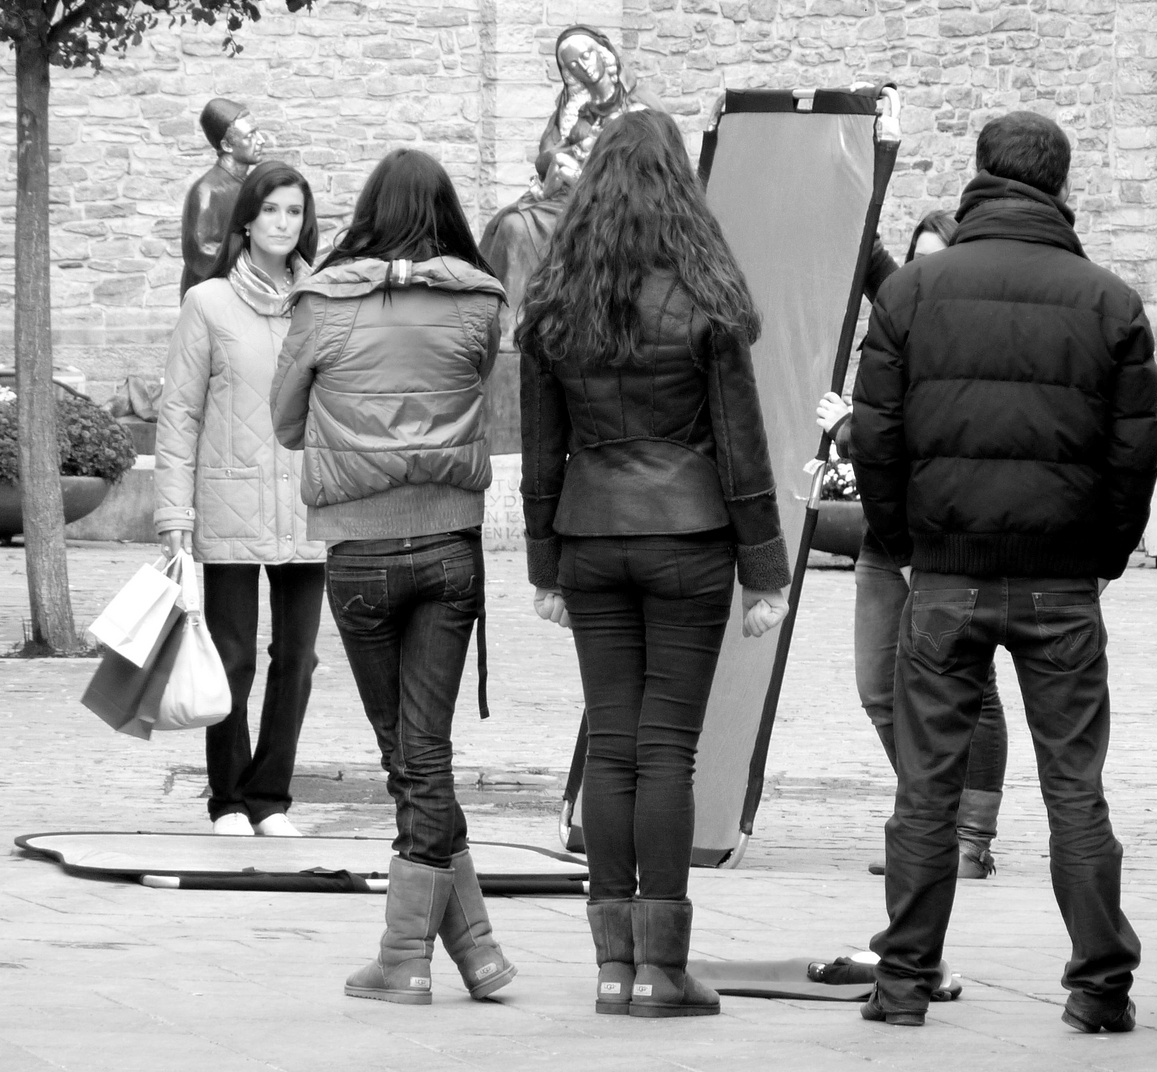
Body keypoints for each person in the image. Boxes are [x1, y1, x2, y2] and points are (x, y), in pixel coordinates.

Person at [852, 111, 1157, 1031]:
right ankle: (1099, 985)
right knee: (1076, 786)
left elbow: (875, 436)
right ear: (1062, 187)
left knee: (925, 788)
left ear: (980, 175)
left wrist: (904, 540)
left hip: (946, 573)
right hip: (1060, 583)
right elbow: (1135, 453)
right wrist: (1100, 555)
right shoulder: (1110, 302)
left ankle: (903, 981)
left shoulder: (911, 294)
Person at [519, 109, 790, 1019]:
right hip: (688, 536)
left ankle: (610, 965)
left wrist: (542, 565)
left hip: (591, 533)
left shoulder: (557, 301)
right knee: (667, 748)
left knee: (613, 739)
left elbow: (542, 444)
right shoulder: (706, 294)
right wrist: (766, 569)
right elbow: (739, 441)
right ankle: (663, 969)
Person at [270, 149, 516, 1006]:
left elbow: (286, 423)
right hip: (451, 542)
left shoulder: (322, 302)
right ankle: (476, 951)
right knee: (426, 755)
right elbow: (474, 384)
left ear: (367, 211)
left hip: (360, 550)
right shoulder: (481, 301)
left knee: (409, 757)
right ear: (446, 212)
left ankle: (406, 956)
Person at [815, 209, 1009, 879]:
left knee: (969, 687)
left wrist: (850, 430)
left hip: (945, 539)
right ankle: (932, 817)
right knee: (878, 685)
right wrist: (862, 145)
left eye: (938, 261)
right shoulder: (898, 318)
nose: (923, 274)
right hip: (883, 536)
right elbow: (869, 254)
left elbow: (920, 434)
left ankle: (971, 839)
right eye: (915, 261)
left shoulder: (973, 340)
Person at [156, 159, 325, 838]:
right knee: (232, 657)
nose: (284, 223)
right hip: (227, 505)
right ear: (247, 221)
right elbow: (179, 415)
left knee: (299, 659)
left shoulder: (325, 302)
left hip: (308, 509)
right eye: (273, 211)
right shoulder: (207, 304)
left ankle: (271, 797)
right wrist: (174, 515)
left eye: (295, 211)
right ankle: (227, 798)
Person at [479, 25, 663, 340]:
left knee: (523, 225)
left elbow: (657, 161)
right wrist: (564, 154)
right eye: (572, 64)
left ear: (604, 54)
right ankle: (505, 324)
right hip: (566, 197)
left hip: (618, 203)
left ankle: (524, 325)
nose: (582, 66)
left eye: (586, 55)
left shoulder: (639, 103)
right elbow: (545, 157)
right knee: (511, 224)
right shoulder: (576, 107)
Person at [180, 98, 266, 300]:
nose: (261, 140)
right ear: (227, 145)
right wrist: (255, 260)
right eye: (250, 136)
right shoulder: (206, 192)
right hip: (212, 299)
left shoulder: (250, 185)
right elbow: (200, 253)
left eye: (257, 132)